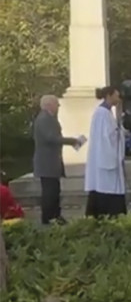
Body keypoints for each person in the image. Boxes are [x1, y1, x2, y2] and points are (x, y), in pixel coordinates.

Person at [32, 94, 83, 225]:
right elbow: (51, 138)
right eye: (56, 104)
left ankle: (54, 215)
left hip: (50, 161)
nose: (58, 106)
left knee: (54, 190)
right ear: (49, 105)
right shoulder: (45, 119)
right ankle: (50, 217)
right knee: (50, 191)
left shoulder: (47, 118)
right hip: (47, 162)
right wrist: (72, 141)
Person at [84, 86, 127, 218]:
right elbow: (106, 137)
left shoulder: (106, 113)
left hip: (105, 155)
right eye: (116, 96)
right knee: (106, 186)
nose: (118, 99)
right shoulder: (102, 114)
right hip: (105, 158)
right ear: (109, 96)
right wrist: (120, 133)